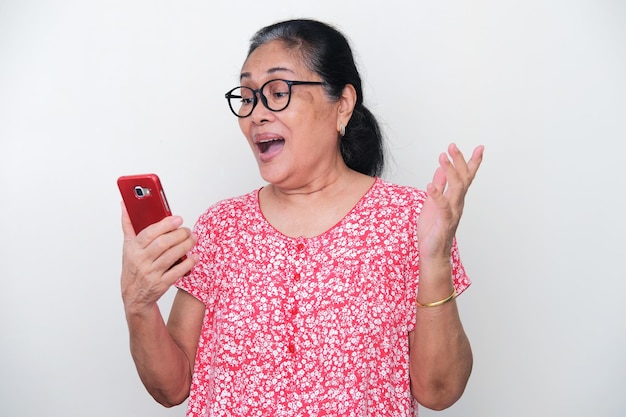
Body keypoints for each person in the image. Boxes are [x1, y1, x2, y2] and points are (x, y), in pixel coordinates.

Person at [120, 18, 484, 417]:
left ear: (342, 105)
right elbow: (172, 388)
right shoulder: (220, 227)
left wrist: (436, 260)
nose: (255, 114)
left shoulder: (409, 219)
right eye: (246, 96)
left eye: (277, 92)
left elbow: (440, 391)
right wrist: (138, 304)